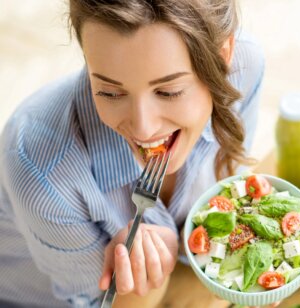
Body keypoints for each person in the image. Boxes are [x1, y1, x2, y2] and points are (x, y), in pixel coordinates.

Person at [0, 0, 265, 307]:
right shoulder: (40, 170)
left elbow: (228, 194)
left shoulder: (245, 68)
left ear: (224, 57)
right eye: (110, 92)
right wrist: (142, 275)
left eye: (169, 91)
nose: (143, 128)